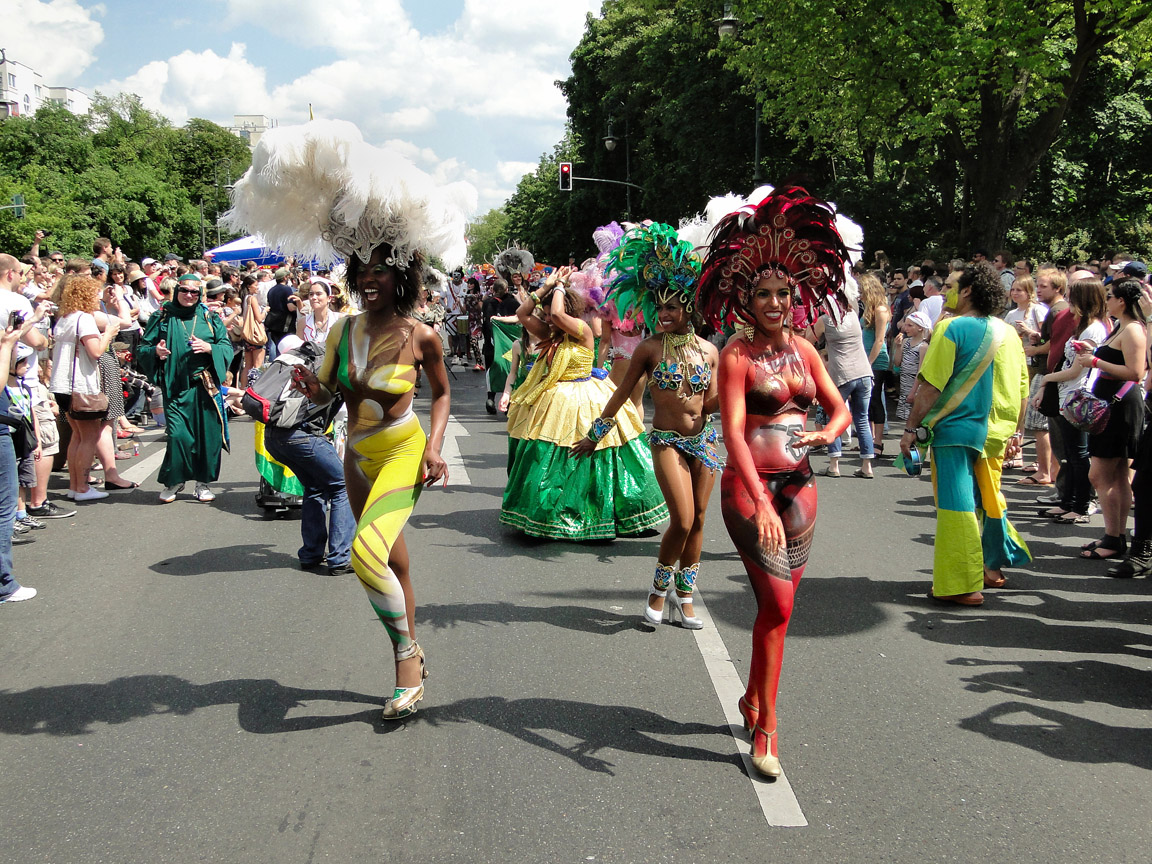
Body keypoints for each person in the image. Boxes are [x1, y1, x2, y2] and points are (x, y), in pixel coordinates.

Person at [226, 119, 464, 721]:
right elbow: (328, 389)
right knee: (394, 561)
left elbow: (442, 396)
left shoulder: (421, 335)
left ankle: (406, 660)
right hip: (355, 454)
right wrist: (305, 385)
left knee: (364, 555)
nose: (369, 279)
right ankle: (409, 655)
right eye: (361, 271)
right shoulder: (340, 330)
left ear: (402, 273)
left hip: (402, 450)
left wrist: (436, 447)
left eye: (380, 269)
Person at [696, 186, 852, 778]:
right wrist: (759, 500)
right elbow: (733, 430)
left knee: (777, 612)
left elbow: (837, 406)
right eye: (763, 293)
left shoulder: (808, 351)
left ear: (796, 296)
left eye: (783, 293)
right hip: (749, 488)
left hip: (802, 485)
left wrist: (829, 433)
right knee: (779, 602)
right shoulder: (736, 355)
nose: (774, 302)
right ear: (745, 298)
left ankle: (753, 696)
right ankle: (766, 729)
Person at [572, 223, 720, 628]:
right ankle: (658, 588)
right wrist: (595, 435)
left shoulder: (710, 352)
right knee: (683, 520)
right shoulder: (649, 348)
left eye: (674, 305)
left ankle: (684, 596)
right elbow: (620, 395)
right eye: (661, 306)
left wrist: (745, 388)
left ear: (689, 307)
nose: (667, 313)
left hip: (704, 443)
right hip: (667, 442)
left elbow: (712, 404)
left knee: (702, 520)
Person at [502, 265, 667, 539]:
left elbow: (557, 313)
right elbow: (521, 314)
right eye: (545, 314)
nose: (548, 318)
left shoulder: (582, 330)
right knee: (553, 456)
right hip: (555, 401)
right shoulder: (549, 334)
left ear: (568, 310)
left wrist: (559, 286)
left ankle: (605, 513)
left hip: (588, 397)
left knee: (602, 454)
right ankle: (553, 514)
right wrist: (544, 287)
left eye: (551, 313)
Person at [902, 262, 1031, 604]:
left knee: (956, 508)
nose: (945, 293)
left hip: (954, 430)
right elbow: (1021, 387)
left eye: (950, 287)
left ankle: (962, 584)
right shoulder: (1003, 330)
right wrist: (1016, 431)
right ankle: (988, 569)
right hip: (990, 431)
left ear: (969, 290)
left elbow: (930, 386)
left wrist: (911, 429)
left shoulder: (951, 328)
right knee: (987, 502)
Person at [261, 343, 356, 577]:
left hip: (274, 435)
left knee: (314, 486)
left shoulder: (314, 359)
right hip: (301, 437)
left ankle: (311, 554)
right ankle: (340, 558)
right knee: (343, 485)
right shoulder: (338, 368)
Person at [137, 274, 233, 503]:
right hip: (175, 387)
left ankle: (203, 483)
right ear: (176, 291)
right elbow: (143, 349)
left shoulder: (210, 317)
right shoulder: (161, 317)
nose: (189, 295)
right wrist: (155, 353)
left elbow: (226, 346)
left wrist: (210, 348)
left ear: (199, 294)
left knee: (207, 438)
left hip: (205, 387)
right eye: (184, 291)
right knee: (179, 436)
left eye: (193, 292)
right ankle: (175, 480)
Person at [1075, 278, 1146, 561]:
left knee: (1100, 474)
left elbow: (1135, 372)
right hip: (1110, 404)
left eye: (1111, 296)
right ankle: (1114, 536)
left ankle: (1114, 537)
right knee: (1116, 476)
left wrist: (1095, 362)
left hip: (1120, 407)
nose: (1107, 301)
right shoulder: (1120, 327)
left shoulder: (1133, 330)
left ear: (1122, 301)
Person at [1033, 278, 1109, 523]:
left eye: (1073, 296)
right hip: (1067, 397)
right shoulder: (1082, 327)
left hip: (1079, 399)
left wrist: (1046, 380)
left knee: (1078, 455)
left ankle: (1081, 505)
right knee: (1070, 455)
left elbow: (1076, 369)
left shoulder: (1093, 329)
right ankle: (1068, 503)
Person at [48, 276, 121, 502]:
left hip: (61, 385)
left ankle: (75, 486)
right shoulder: (84, 319)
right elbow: (96, 351)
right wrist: (108, 334)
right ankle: (82, 488)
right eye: (94, 292)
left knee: (77, 436)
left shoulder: (64, 318)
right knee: (88, 436)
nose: (98, 296)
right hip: (81, 385)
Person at [296, 277, 343, 344]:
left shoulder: (340, 319)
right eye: (311, 294)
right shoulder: (303, 322)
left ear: (329, 298)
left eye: (318, 294)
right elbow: (298, 350)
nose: (314, 298)